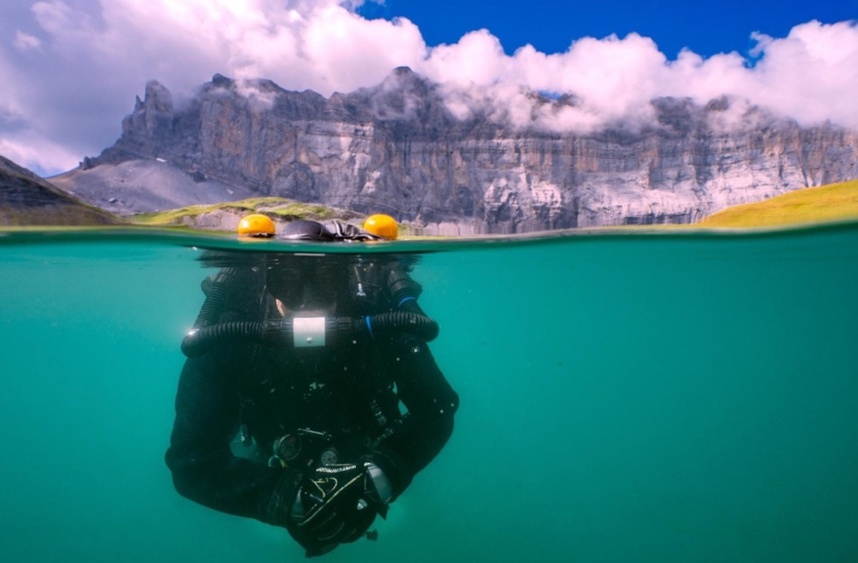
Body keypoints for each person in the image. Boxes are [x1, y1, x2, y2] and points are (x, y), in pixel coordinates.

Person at [165, 218, 459, 558]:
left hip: (368, 450)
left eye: (325, 282)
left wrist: (382, 473)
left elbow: (437, 408)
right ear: (266, 279)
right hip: (271, 457)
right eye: (287, 282)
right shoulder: (231, 330)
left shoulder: (377, 312)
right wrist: (283, 497)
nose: (306, 302)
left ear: (345, 280)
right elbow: (190, 460)